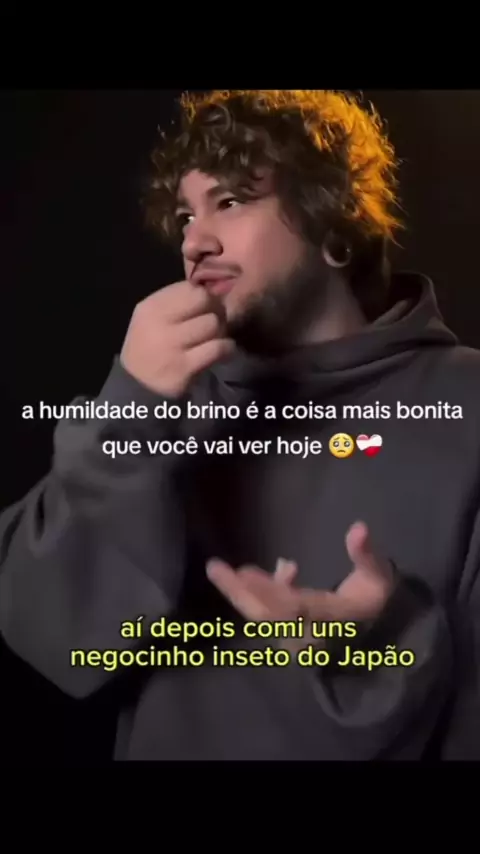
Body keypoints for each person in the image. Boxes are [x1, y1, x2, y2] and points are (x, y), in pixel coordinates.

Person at [0, 88, 479, 760]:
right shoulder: (162, 401)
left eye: (229, 201)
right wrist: (129, 409)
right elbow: (55, 638)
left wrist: (381, 647)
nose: (194, 242)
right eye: (184, 215)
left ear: (333, 228)